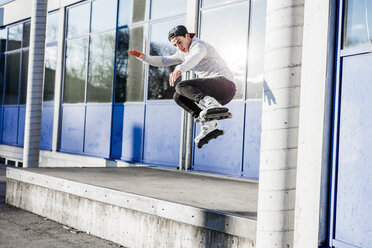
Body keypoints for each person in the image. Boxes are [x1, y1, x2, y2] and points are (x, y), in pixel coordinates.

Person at [128, 25, 236, 148]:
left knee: (181, 86)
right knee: (178, 96)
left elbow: (196, 57)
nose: (179, 47)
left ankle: (211, 104)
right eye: (175, 45)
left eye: (179, 42)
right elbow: (164, 60)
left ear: (187, 36)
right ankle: (209, 124)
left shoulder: (198, 45)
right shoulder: (182, 53)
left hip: (225, 85)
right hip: (217, 93)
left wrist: (179, 69)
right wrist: (144, 57)